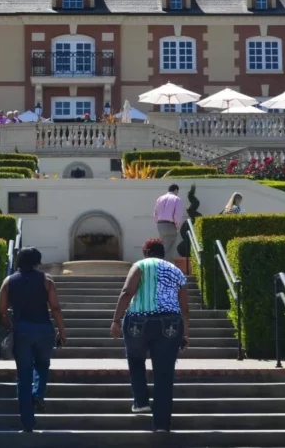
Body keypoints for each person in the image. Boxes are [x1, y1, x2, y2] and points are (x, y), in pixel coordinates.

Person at [111, 237, 190, 433]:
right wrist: (185, 333)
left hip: (139, 319)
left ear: (146, 252)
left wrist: (116, 319)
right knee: (164, 372)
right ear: (163, 253)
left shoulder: (140, 265)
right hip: (171, 322)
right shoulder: (176, 271)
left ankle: (140, 401)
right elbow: (185, 308)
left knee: (135, 358)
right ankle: (162, 424)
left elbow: (127, 291)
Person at [0, 247, 67, 433]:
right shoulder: (47, 281)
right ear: (37, 261)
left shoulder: (8, 281)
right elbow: (56, 307)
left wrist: (9, 326)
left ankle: (28, 423)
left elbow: (2, 310)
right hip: (44, 329)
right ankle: (38, 394)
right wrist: (62, 330)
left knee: (23, 375)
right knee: (43, 365)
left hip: (21, 331)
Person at [152, 184, 184, 261]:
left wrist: (158, 222)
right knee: (169, 249)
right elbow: (177, 214)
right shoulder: (176, 199)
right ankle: (165, 266)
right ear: (176, 190)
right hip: (170, 224)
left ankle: (160, 263)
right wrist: (177, 225)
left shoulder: (160, 198)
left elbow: (155, 213)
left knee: (164, 246)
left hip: (160, 225)